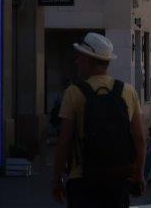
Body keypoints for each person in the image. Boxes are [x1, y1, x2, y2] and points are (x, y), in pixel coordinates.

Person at [52, 33, 145, 208]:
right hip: (118, 178)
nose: (77, 61)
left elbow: (64, 140)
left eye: (80, 57)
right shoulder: (127, 91)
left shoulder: (74, 92)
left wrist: (56, 179)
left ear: (89, 60)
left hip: (82, 179)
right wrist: (139, 174)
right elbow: (139, 138)